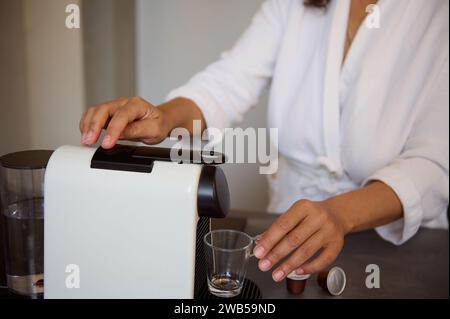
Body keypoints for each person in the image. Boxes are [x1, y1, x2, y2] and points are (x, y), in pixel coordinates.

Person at [79, 0, 449, 283]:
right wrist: (164, 117)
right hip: (284, 238)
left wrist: (341, 214)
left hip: (399, 244)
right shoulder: (294, 5)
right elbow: (227, 84)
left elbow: (433, 162)